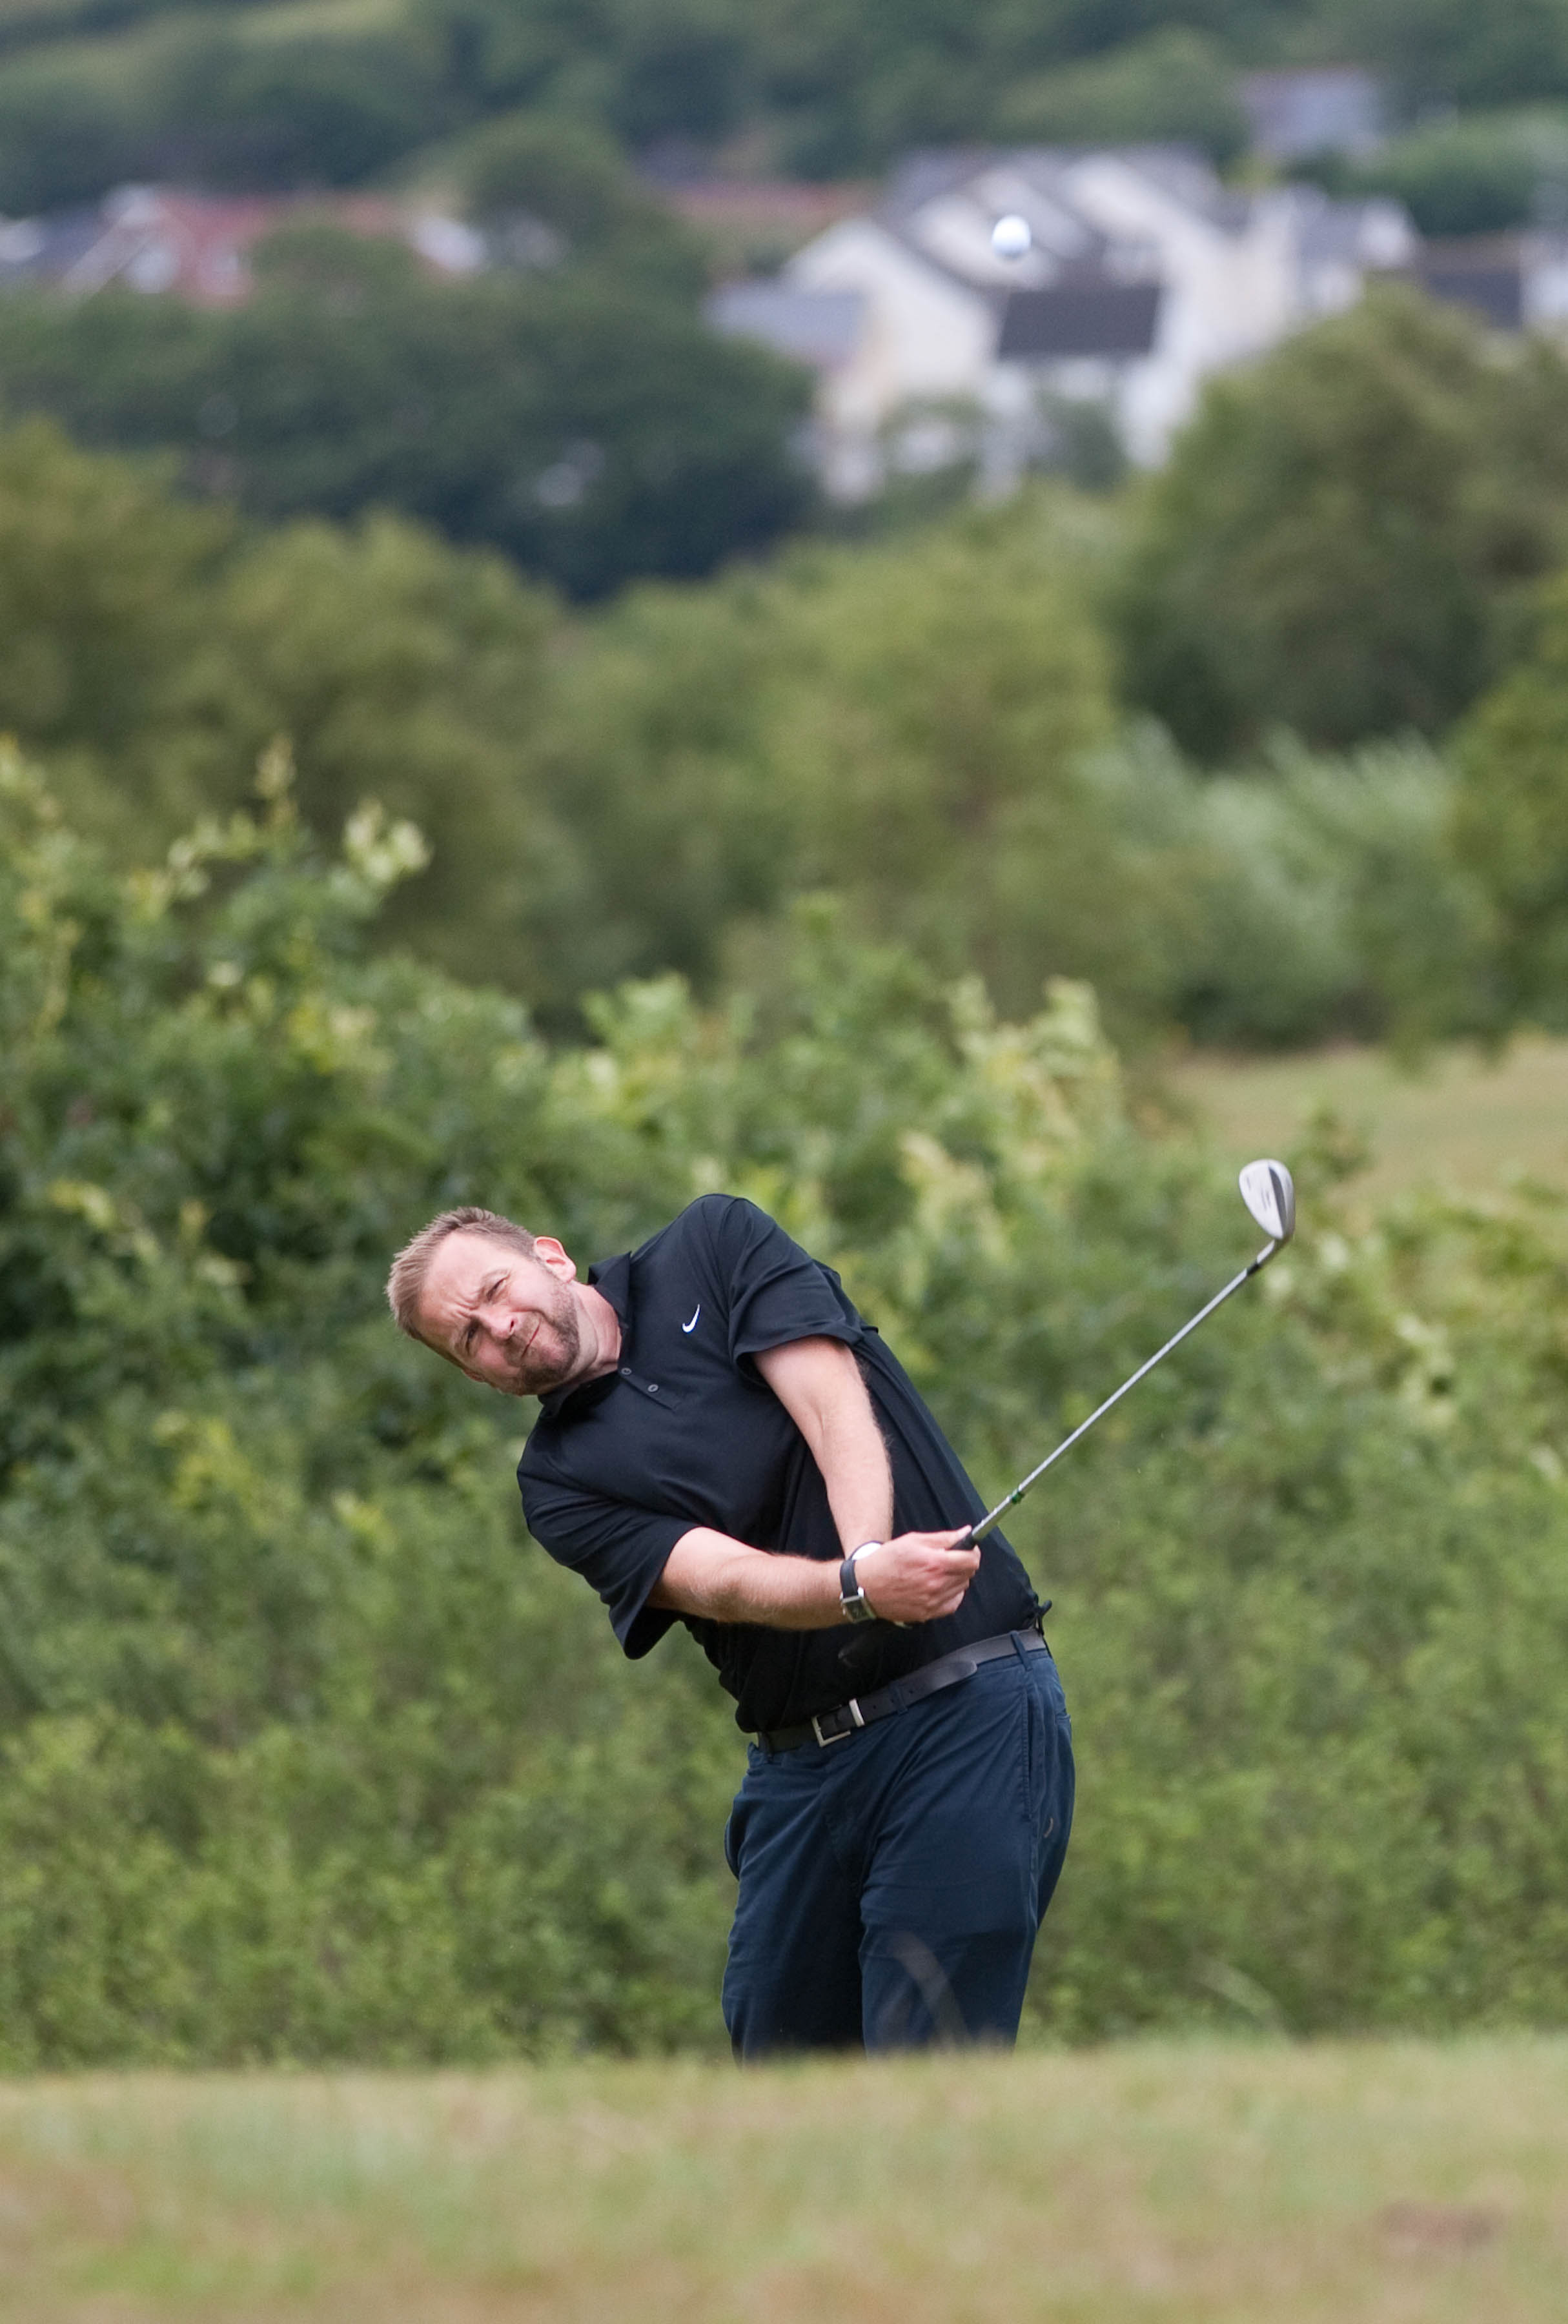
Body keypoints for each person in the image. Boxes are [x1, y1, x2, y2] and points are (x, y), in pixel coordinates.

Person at [387, 1190, 1073, 2055]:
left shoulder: (711, 1246)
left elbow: (830, 1404)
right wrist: (857, 1589)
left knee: (928, 2053)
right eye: (469, 1338)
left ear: (548, 1257)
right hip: (801, 1769)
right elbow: (719, 1582)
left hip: (965, 1708)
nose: (501, 1328)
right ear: (475, 1375)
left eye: (495, 1291)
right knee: (777, 2063)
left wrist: (866, 1558)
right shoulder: (557, 1483)